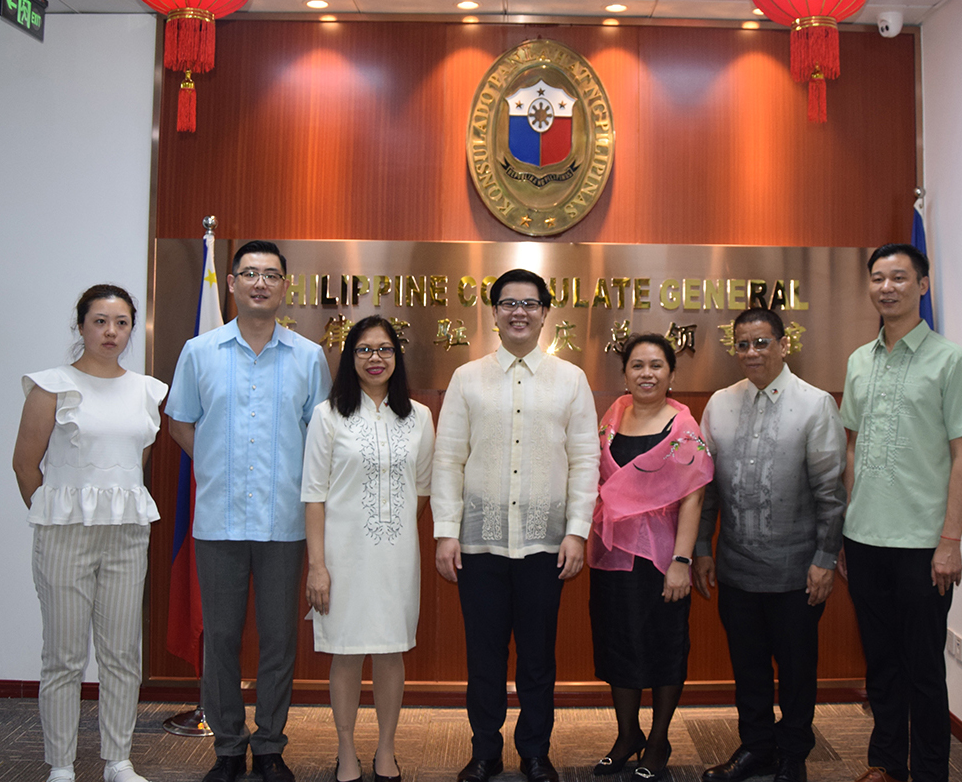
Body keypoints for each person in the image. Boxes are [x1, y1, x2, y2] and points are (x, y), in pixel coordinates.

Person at [166, 240, 331, 782]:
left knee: (280, 640)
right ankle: (229, 748)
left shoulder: (308, 357)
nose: (260, 283)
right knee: (221, 638)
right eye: (250, 273)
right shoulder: (199, 352)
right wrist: (217, 464)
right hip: (219, 522)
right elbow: (181, 422)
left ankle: (271, 746)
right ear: (232, 282)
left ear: (286, 286)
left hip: (285, 524)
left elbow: (319, 437)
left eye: (271, 275)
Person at [432, 268, 600, 782]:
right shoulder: (467, 377)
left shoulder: (571, 379)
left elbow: (586, 459)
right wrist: (446, 530)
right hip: (479, 543)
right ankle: (484, 751)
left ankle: (534, 751)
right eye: (509, 303)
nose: (519, 312)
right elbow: (447, 458)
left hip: (544, 545)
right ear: (494, 312)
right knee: (483, 658)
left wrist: (576, 531)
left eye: (530, 304)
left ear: (546, 313)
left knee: (536, 659)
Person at [12, 284, 168, 782]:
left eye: (121, 322)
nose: (111, 332)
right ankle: (61, 765)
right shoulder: (51, 385)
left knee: (122, 652)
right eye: (100, 321)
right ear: (80, 326)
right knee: (64, 654)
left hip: (126, 535)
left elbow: (132, 466)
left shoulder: (147, 390)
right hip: (65, 536)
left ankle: (117, 760)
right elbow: (24, 465)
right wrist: (55, 514)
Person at [840, 244, 962, 782]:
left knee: (923, 670)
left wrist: (952, 539)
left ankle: (929, 772)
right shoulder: (858, 360)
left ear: (923, 285)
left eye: (900, 277)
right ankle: (884, 765)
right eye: (878, 278)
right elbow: (852, 448)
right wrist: (846, 529)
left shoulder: (952, 361)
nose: (887, 287)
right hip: (865, 538)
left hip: (924, 544)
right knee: (881, 666)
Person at [693, 309, 846, 782]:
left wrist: (824, 560)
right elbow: (707, 489)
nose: (751, 353)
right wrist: (701, 548)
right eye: (742, 344)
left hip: (797, 571)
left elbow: (832, 493)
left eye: (761, 343)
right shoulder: (719, 404)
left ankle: (794, 754)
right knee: (749, 668)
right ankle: (756, 748)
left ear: (784, 344)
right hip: (737, 568)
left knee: (797, 670)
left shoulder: (815, 404)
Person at [303, 316, 435, 782]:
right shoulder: (328, 414)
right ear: (349, 357)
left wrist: (393, 528)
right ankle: (345, 751)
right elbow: (314, 494)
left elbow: (422, 488)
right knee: (345, 652)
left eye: (384, 350)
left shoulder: (419, 416)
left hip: (396, 556)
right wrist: (317, 566)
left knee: (390, 652)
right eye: (364, 350)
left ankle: (385, 749)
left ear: (397, 358)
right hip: (341, 555)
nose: (375, 358)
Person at [587, 334, 711, 781]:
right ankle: (627, 735)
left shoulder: (684, 429)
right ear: (624, 374)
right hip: (612, 553)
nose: (646, 373)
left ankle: (658, 740)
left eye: (656, 365)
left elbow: (694, 498)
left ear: (672, 374)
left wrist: (683, 560)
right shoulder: (612, 418)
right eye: (637, 365)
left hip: (661, 559)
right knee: (617, 643)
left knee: (664, 646)